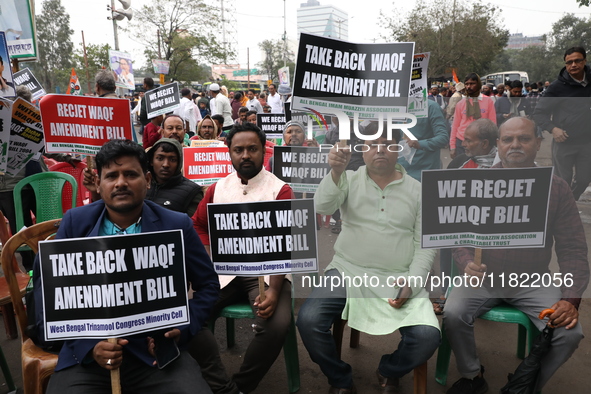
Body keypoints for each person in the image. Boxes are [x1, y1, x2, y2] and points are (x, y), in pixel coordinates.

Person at [34, 139, 219, 394]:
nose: (121, 182)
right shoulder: (75, 223)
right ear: (99, 183)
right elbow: (46, 294)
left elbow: (208, 285)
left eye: (130, 174)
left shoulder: (177, 225)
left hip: (157, 356)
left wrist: (185, 325)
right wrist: (90, 346)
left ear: (148, 181)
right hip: (88, 359)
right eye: (112, 176)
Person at [443, 117, 589, 394]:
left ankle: (525, 384)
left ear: (538, 142)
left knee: (570, 334)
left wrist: (571, 299)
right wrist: (465, 263)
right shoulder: (477, 183)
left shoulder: (556, 189)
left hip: (533, 281)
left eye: (523, 138)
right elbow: (458, 237)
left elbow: (573, 249)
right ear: (497, 145)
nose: (515, 145)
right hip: (482, 279)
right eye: (507, 139)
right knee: (453, 313)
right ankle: (472, 375)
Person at [297, 122, 440, 394]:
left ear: (399, 150)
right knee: (309, 320)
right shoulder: (348, 179)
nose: (380, 150)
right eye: (372, 144)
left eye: (388, 143)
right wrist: (336, 171)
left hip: (399, 276)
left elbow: (425, 244)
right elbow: (322, 207)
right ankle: (340, 379)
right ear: (362, 151)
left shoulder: (418, 190)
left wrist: (413, 282)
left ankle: (388, 370)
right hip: (348, 270)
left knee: (427, 337)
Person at [190, 122, 294, 394]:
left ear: (264, 152)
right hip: (224, 273)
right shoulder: (217, 189)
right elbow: (198, 225)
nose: (245, 155)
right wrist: (209, 257)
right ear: (230, 153)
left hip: (268, 274)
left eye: (252, 149)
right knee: (187, 316)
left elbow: (289, 242)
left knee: (276, 324)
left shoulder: (280, 190)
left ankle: (240, 387)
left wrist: (274, 289)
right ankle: (220, 385)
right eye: (238, 150)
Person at [533, 46, 591, 200]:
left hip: (587, 142)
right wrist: (553, 129)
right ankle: (562, 208)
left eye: (577, 60)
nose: (573, 65)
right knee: (562, 181)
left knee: (585, 179)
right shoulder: (557, 87)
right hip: (564, 142)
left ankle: (569, 200)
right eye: (569, 62)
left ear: (585, 61)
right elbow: (539, 113)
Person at [146, 138, 203, 217]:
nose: (166, 164)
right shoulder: (139, 185)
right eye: (160, 158)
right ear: (151, 161)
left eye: (173, 160)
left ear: (179, 163)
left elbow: (193, 225)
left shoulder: (193, 192)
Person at [398, 99, 449, 181]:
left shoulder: (431, 107)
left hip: (424, 171)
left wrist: (420, 144)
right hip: (399, 170)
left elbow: (443, 138)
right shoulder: (395, 107)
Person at [450, 73, 496, 158]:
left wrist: (493, 143)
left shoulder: (488, 101)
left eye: (472, 84)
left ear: (478, 84)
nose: (468, 87)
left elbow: (492, 124)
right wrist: (452, 146)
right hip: (462, 142)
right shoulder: (460, 103)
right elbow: (455, 126)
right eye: (467, 84)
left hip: (482, 143)